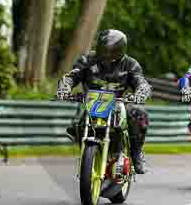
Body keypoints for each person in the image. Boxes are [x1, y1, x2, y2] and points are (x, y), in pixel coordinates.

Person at [56, 29, 152, 174]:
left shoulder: (130, 64)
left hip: (119, 103)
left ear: (121, 49)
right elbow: (71, 76)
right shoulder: (87, 60)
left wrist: (140, 94)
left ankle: (136, 153)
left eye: (112, 51)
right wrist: (64, 88)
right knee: (75, 125)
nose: (107, 54)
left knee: (139, 113)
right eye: (104, 50)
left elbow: (142, 82)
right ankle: (87, 156)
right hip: (91, 103)